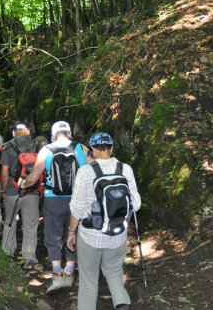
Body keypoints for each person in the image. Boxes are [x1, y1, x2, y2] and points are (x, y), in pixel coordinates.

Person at [66, 132, 141, 310]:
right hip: (117, 235)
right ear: (112, 148)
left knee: (89, 279)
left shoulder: (85, 172)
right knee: (114, 271)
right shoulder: (126, 169)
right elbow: (136, 204)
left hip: (90, 236)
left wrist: (71, 232)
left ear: (92, 149)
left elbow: (76, 208)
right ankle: (122, 305)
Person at [21, 120, 88, 293]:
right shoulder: (79, 148)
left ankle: (58, 275)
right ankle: (70, 272)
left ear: (53, 135)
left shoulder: (46, 150)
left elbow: (34, 177)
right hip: (75, 199)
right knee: (73, 233)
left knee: (53, 236)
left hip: (53, 199)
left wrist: (23, 184)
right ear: (70, 133)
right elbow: (88, 173)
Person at [0, 122, 40, 270]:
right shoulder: (37, 145)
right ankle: (29, 258)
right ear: (28, 131)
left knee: (10, 222)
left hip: (12, 190)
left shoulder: (9, 146)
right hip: (32, 191)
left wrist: (3, 191)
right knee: (30, 225)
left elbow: (4, 172)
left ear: (14, 133)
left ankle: (8, 254)